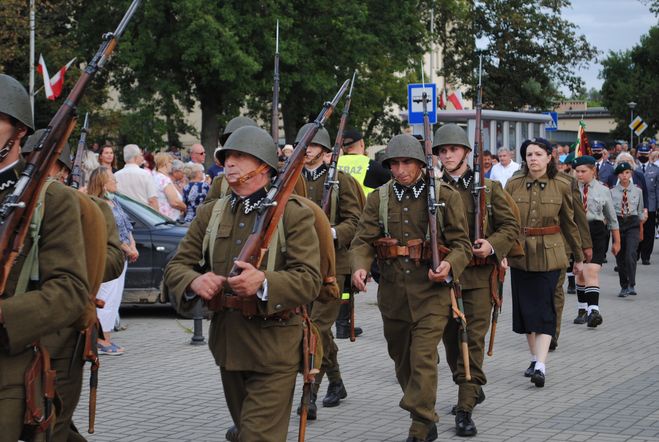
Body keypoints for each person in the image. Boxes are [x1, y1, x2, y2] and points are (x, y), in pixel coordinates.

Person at [163, 126, 321, 442]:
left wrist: (264, 282)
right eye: (226, 157)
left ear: (263, 165)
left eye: (239, 156)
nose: (229, 163)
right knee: (247, 431)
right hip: (228, 344)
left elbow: (309, 279)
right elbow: (176, 267)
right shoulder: (212, 213)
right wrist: (195, 280)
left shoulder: (293, 214)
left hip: (274, 346)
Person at [350, 134, 471, 442]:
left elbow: (462, 245)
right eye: (395, 164)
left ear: (420, 164)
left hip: (431, 293)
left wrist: (449, 265)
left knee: (423, 357)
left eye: (407, 163)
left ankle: (420, 424)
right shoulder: (379, 198)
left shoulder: (444, 195)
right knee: (402, 359)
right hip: (392, 294)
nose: (401, 169)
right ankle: (423, 414)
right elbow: (362, 240)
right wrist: (359, 266)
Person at [0, 74, 90, 440]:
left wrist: (5, 315)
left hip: (9, 374)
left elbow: (70, 293)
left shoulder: (52, 200)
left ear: (19, 131)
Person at [434, 124, 520, 437]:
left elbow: (511, 228)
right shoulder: (432, 190)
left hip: (480, 277)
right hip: (444, 279)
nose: (446, 155)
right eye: (442, 151)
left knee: (472, 342)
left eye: (452, 150)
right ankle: (469, 386)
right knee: (451, 344)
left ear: (466, 153)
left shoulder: (490, 188)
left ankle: (465, 407)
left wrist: (492, 244)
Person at [294, 123, 364, 417]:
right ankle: (336, 381)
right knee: (315, 330)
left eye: (311, 145)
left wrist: (330, 233)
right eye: (302, 144)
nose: (305, 149)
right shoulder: (292, 180)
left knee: (317, 330)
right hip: (298, 266)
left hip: (334, 266)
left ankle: (309, 393)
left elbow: (355, 221)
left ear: (323, 150)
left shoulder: (342, 182)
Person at [505, 137, 584, 388]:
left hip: (551, 254)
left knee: (546, 308)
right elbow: (502, 221)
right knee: (527, 311)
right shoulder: (513, 183)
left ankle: (541, 365)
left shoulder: (562, 184)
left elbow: (570, 223)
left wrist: (579, 257)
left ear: (549, 157)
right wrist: (500, 253)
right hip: (521, 254)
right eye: (529, 154)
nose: (533, 159)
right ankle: (533, 358)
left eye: (538, 154)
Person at [87, 167, 138, 354]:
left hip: (121, 255)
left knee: (114, 299)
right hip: (109, 255)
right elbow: (110, 234)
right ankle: (101, 340)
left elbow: (125, 225)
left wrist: (132, 246)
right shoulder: (98, 204)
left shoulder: (114, 201)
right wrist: (127, 248)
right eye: (112, 179)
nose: (115, 182)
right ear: (102, 182)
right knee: (106, 298)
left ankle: (105, 338)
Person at [572, 156, 621, 327]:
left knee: (591, 270)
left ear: (593, 171)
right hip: (576, 231)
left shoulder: (603, 190)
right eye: (577, 171)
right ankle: (582, 308)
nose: (579, 175)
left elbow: (612, 218)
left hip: (597, 231)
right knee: (580, 273)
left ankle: (594, 311)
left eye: (583, 171)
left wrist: (617, 242)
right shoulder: (569, 189)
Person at [611, 162, 646, 297]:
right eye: (621, 173)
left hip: (633, 224)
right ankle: (623, 286)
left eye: (627, 173)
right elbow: (609, 212)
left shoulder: (638, 191)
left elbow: (640, 210)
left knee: (631, 254)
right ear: (617, 175)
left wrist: (642, 226)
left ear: (631, 174)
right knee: (620, 257)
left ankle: (632, 284)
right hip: (618, 224)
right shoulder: (612, 192)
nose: (624, 176)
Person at [115, 144, 159, 211]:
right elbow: (152, 200)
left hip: (124, 214)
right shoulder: (145, 175)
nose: (142, 158)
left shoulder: (116, 175)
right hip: (143, 215)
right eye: (141, 155)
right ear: (135, 157)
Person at [636, 143, 658, 264]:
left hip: (650, 204)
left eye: (645, 154)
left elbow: (658, 189)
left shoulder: (655, 169)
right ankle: (636, 252)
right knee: (637, 229)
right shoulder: (633, 168)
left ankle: (646, 256)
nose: (643, 156)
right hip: (636, 205)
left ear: (649, 154)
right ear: (637, 154)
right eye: (641, 154)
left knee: (649, 232)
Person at [153, 152, 186, 220]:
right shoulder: (164, 179)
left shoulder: (154, 176)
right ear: (166, 164)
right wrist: (185, 207)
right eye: (171, 162)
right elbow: (174, 202)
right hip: (168, 219)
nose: (172, 165)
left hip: (159, 217)